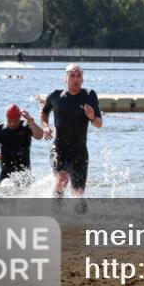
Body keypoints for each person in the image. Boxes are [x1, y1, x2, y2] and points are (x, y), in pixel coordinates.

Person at [40, 63, 102, 198]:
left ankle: (75, 217)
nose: (76, 79)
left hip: (80, 151)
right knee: (62, 179)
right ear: (65, 78)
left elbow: (98, 124)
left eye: (79, 76)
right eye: (72, 76)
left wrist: (92, 117)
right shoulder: (55, 96)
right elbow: (44, 113)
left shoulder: (89, 95)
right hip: (59, 148)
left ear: (82, 79)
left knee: (78, 195)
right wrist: (45, 127)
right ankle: (56, 209)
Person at [0, 104, 44, 183]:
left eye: (15, 121)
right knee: (7, 188)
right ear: (6, 118)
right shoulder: (0, 130)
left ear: (19, 118)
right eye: (10, 121)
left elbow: (39, 136)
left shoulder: (26, 126)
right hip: (6, 174)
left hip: (25, 173)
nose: (12, 124)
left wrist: (30, 120)